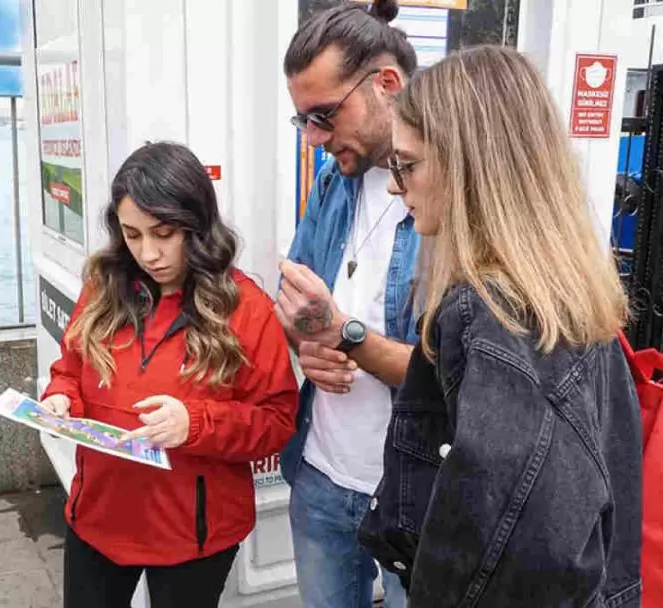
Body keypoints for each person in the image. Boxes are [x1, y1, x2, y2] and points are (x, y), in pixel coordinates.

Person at [359, 44, 643, 605]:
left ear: (471, 167)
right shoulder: (562, 293)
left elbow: (510, 548)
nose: (395, 185)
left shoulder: (497, 315)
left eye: (407, 164)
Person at [40, 141, 299, 608]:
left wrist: (194, 424)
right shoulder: (101, 288)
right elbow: (70, 369)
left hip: (192, 533)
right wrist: (61, 399)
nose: (149, 253)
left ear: (196, 225)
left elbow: (277, 421)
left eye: (164, 233)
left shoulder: (245, 308)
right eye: (132, 234)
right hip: (98, 517)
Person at [272, 0, 420, 605]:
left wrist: (346, 334)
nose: (314, 137)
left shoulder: (454, 198)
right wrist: (308, 345)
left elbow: (466, 373)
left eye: (324, 114)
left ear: (387, 84)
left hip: (418, 493)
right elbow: (295, 314)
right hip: (322, 477)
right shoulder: (333, 180)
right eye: (303, 120)